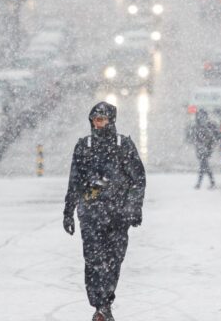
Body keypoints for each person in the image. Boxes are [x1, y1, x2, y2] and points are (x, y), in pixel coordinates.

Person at [63, 102, 146, 321]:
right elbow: (75, 181)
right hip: (90, 214)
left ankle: (106, 301)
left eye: (102, 119)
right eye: (95, 120)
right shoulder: (84, 146)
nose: (98, 124)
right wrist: (68, 211)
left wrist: (134, 208)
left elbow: (137, 180)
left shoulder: (123, 145)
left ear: (111, 121)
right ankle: (100, 305)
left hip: (118, 215)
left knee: (114, 260)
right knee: (92, 260)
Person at [190, 109, 221, 189]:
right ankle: (210, 183)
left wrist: (208, 145)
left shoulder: (207, 126)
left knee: (203, 166)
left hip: (205, 149)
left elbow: (214, 137)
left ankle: (201, 184)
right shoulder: (199, 126)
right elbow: (194, 138)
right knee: (204, 166)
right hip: (202, 148)